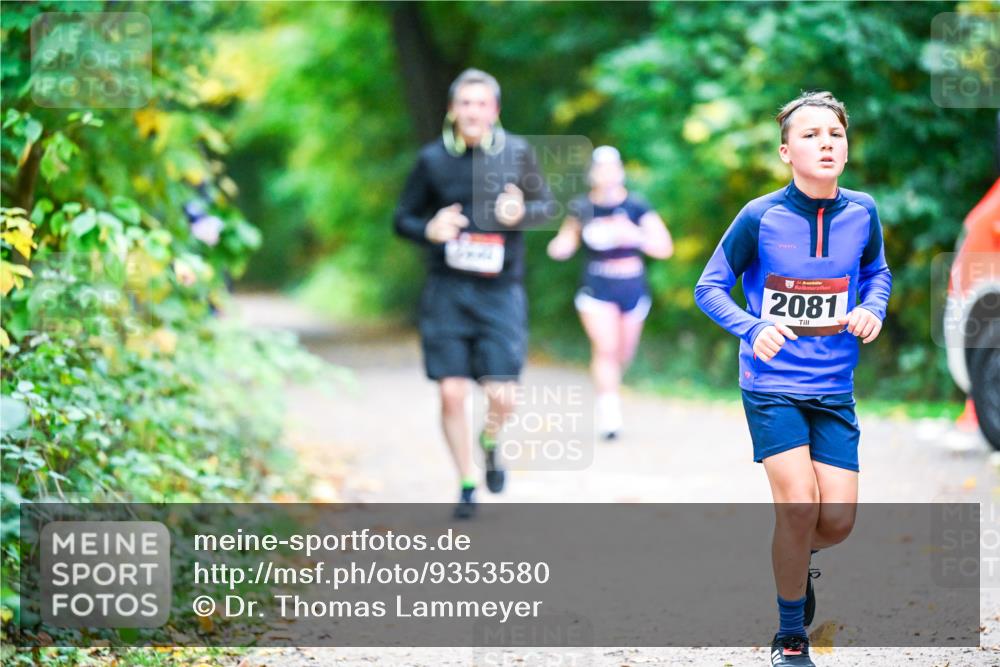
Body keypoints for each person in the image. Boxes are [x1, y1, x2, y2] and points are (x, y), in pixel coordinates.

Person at [694, 92, 891, 666]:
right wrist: (752, 327)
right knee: (799, 508)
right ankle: (790, 638)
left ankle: (795, 560)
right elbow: (709, 288)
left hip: (834, 388)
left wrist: (872, 309)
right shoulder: (760, 216)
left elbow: (877, 272)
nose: (826, 142)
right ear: (786, 151)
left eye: (835, 134)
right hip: (771, 384)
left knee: (838, 521)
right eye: (810, 135)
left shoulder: (863, 213)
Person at [394, 68, 556, 519]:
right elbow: (401, 218)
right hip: (447, 289)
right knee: (450, 392)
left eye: (481, 103)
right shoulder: (431, 161)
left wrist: (520, 211)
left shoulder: (517, 153)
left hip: (500, 291)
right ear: (452, 110)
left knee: (503, 395)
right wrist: (429, 228)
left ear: (494, 111)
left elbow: (545, 206)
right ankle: (466, 481)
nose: (472, 111)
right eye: (464, 103)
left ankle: (489, 441)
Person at [547, 146, 672, 439]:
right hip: (596, 288)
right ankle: (609, 412)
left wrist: (635, 235)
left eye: (612, 168)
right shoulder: (582, 208)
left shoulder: (637, 206)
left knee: (622, 353)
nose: (606, 175)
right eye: (600, 169)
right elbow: (564, 242)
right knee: (605, 348)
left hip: (632, 287)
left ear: (620, 172)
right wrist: (560, 247)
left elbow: (664, 248)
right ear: (592, 174)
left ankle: (611, 392)